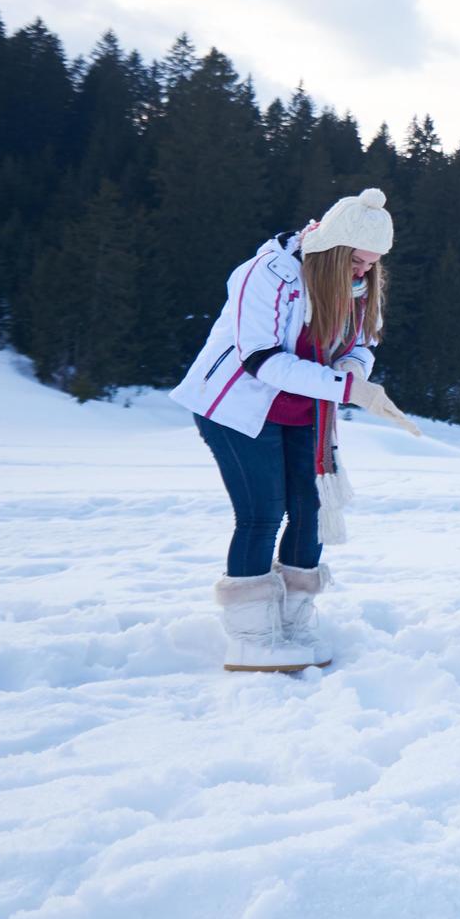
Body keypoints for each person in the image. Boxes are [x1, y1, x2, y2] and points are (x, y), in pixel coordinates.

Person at [170, 187, 401, 671]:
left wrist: (356, 373)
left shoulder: (361, 287)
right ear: (333, 249)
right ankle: (252, 635)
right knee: (262, 513)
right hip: (236, 409)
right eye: (358, 261)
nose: (364, 272)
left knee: (311, 509)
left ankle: (293, 623)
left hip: (306, 412)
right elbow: (260, 359)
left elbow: (362, 345)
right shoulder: (267, 274)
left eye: (373, 264)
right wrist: (343, 388)